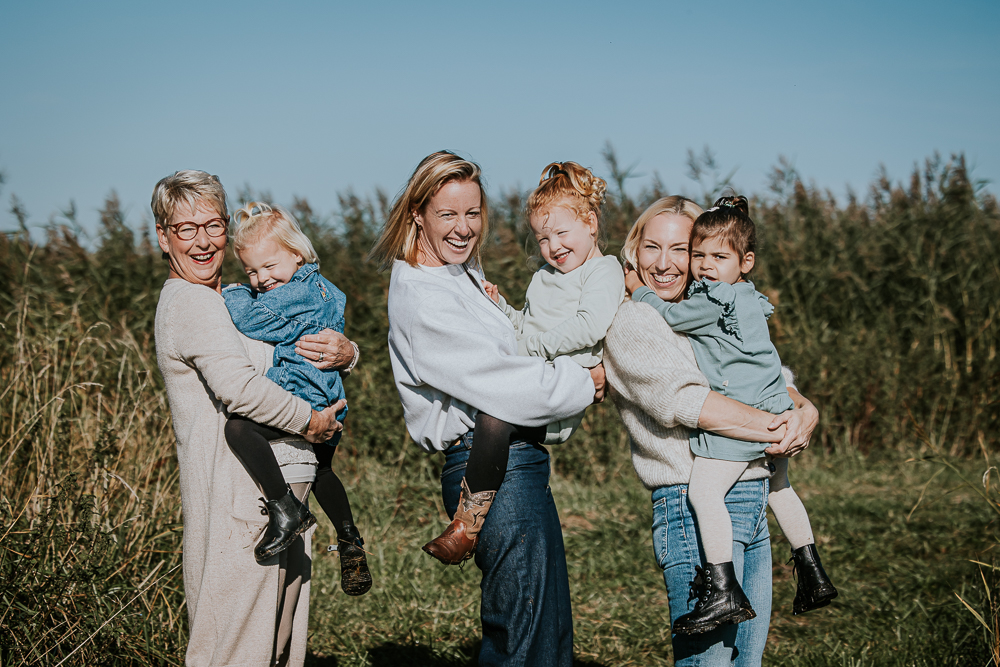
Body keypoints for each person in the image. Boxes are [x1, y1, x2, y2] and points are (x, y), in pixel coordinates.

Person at [371, 151, 604, 666]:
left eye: (472, 213)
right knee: (523, 633)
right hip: (489, 465)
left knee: (545, 629)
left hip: (515, 460)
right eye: (448, 214)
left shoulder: (461, 276)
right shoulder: (421, 295)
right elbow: (506, 385)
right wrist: (584, 381)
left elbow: (516, 348)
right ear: (417, 214)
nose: (463, 228)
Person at [602, 195, 819, 667]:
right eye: (651, 247)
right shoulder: (636, 318)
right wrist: (776, 426)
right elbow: (687, 401)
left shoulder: (710, 304)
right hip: (691, 500)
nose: (665, 264)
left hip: (751, 491)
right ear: (633, 252)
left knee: (747, 660)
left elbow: (767, 373)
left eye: (681, 249)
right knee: (711, 664)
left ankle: (809, 566)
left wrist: (804, 409)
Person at [152, 170, 356, 666]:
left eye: (213, 225)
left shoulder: (244, 296)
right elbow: (241, 392)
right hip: (239, 498)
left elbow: (294, 346)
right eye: (186, 228)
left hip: (278, 497)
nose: (203, 241)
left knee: (276, 647)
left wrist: (347, 353)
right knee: (236, 648)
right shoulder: (196, 304)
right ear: (163, 236)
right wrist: (311, 422)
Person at [421, 161, 625, 565]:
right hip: (537, 374)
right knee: (491, 411)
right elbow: (524, 330)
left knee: (495, 414)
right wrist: (501, 309)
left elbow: (588, 328)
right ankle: (467, 525)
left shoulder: (603, 270)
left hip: (561, 387)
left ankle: (466, 526)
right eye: (542, 238)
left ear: (591, 223)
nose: (553, 247)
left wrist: (527, 348)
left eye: (561, 233)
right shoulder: (543, 277)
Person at [222, 201, 371, 595]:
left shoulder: (297, 292)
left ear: (297, 254)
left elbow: (251, 318)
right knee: (323, 471)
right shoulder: (327, 289)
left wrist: (232, 291)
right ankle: (349, 538)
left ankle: (285, 507)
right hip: (329, 395)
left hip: (300, 393)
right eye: (250, 272)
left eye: (270, 266)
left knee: (238, 429)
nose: (260, 279)